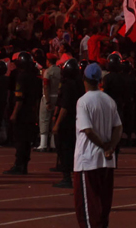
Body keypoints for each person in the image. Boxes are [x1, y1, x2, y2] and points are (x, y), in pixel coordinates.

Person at [73, 62, 123, 228]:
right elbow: (118, 127)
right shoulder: (109, 100)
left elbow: (87, 130)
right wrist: (111, 147)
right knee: (102, 208)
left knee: (87, 210)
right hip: (106, 161)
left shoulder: (83, 102)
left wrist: (103, 146)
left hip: (88, 160)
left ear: (84, 79)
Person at [5, 51, 41, 174]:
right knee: (27, 140)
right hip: (31, 111)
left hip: (22, 113)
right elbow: (37, 98)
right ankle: (24, 164)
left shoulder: (21, 77)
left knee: (20, 139)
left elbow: (19, 98)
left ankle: (19, 164)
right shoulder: (35, 77)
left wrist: (14, 113)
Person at [52, 59, 84, 187]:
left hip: (67, 122)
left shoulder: (67, 85)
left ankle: (66, 177)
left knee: (64, 149)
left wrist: (57, 123)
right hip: (76, 120)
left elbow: (64, 106)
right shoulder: (79, 85)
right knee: (73, 148)